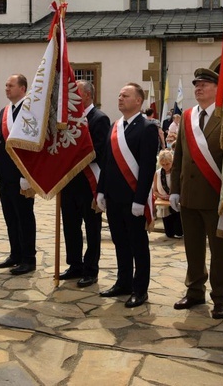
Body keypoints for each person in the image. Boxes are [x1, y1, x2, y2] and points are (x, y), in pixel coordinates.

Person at [169, 67, 223, 319]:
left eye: (204, 84)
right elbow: (179, 156)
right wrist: (175, 190)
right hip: (189, 196)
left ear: (217, 89)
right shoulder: (187, 117)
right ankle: (195, 290)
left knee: (219, 251)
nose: (199, 88)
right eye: (196, 84)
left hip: (216, 196)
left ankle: (221, 297)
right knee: (193, 248)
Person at [96, 83, 160, 308]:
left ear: (138, 101)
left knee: (137, 244)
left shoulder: (147, 127)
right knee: (119, 242)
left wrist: (140, 200)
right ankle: (123, 282)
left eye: (126, 96)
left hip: (133, 199)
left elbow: (147, 167)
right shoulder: (115, 126)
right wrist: (101, 190)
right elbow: (106, 162)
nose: (120, 98)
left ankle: (140, 289)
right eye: (120, 95)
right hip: (113, 197)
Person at [59, 80, 111, 287]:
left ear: (88, 96)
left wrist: (71, 156)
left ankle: (91, 269)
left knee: (91, 228)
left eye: (76, 94)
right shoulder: (70, 119)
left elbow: (99, 150)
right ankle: (75, 265)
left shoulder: (99, 119)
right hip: (69, 182)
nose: (72, 98)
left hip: (89, 183)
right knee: (71, 226)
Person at [0, 74, 37, 275]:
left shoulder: (30, 111)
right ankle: (15, 254)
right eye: (6, 85)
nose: (7, 88)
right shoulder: (5, 111)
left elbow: (32, 146)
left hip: (21, 176)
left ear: (23, 88)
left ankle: (28, 258)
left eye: (11, 85)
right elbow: (0, 142)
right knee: (10, 217)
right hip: (5, 175)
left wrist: (28, 175)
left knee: (24, 217)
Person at [154, 149, 183, 238]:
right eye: (163, 164)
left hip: (176, 203)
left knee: (179, 232)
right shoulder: (158, 173)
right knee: (169, 234)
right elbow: (155, 191)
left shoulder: (177, 172)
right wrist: (162, 196)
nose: (165, 166)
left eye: (167, 164)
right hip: (164, 205)